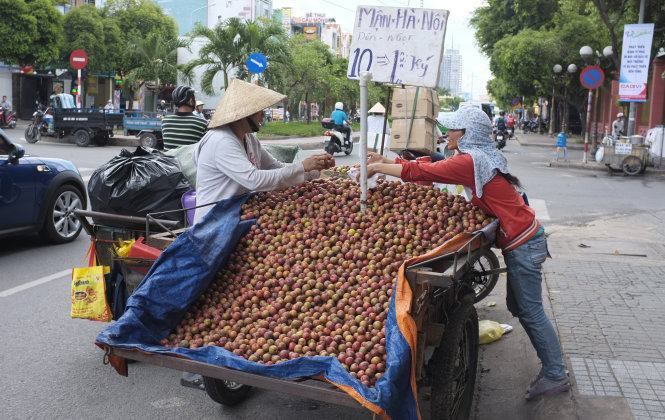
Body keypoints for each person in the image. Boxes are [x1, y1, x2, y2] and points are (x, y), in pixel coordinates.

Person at [365, 106, 570, 400]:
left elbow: (426, 171)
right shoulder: (476, 157)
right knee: (522, 307)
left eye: (453, 129)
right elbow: (429, 165)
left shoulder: (471, 160)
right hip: (523, 238)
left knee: (530, 310)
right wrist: (387, 161)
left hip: (524, 242)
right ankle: (553, 369)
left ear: (466, 134)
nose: (447, 134)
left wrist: (379, 168)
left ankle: (554, 374)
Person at [193, 78, 334, 225]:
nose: (263, 114)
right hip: (213, 221)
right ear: (244, 114)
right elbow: (254, 180)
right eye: (258, 110)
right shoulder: (221, 141)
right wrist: (302, 167)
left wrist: (312, 171)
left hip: (237, 212)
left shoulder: (249, 139)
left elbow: (274, 166)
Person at [161, 86, 208, 151]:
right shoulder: (203, 123)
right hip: (190, 161)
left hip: (167, 161)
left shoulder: (165, 121)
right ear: (191, 101)